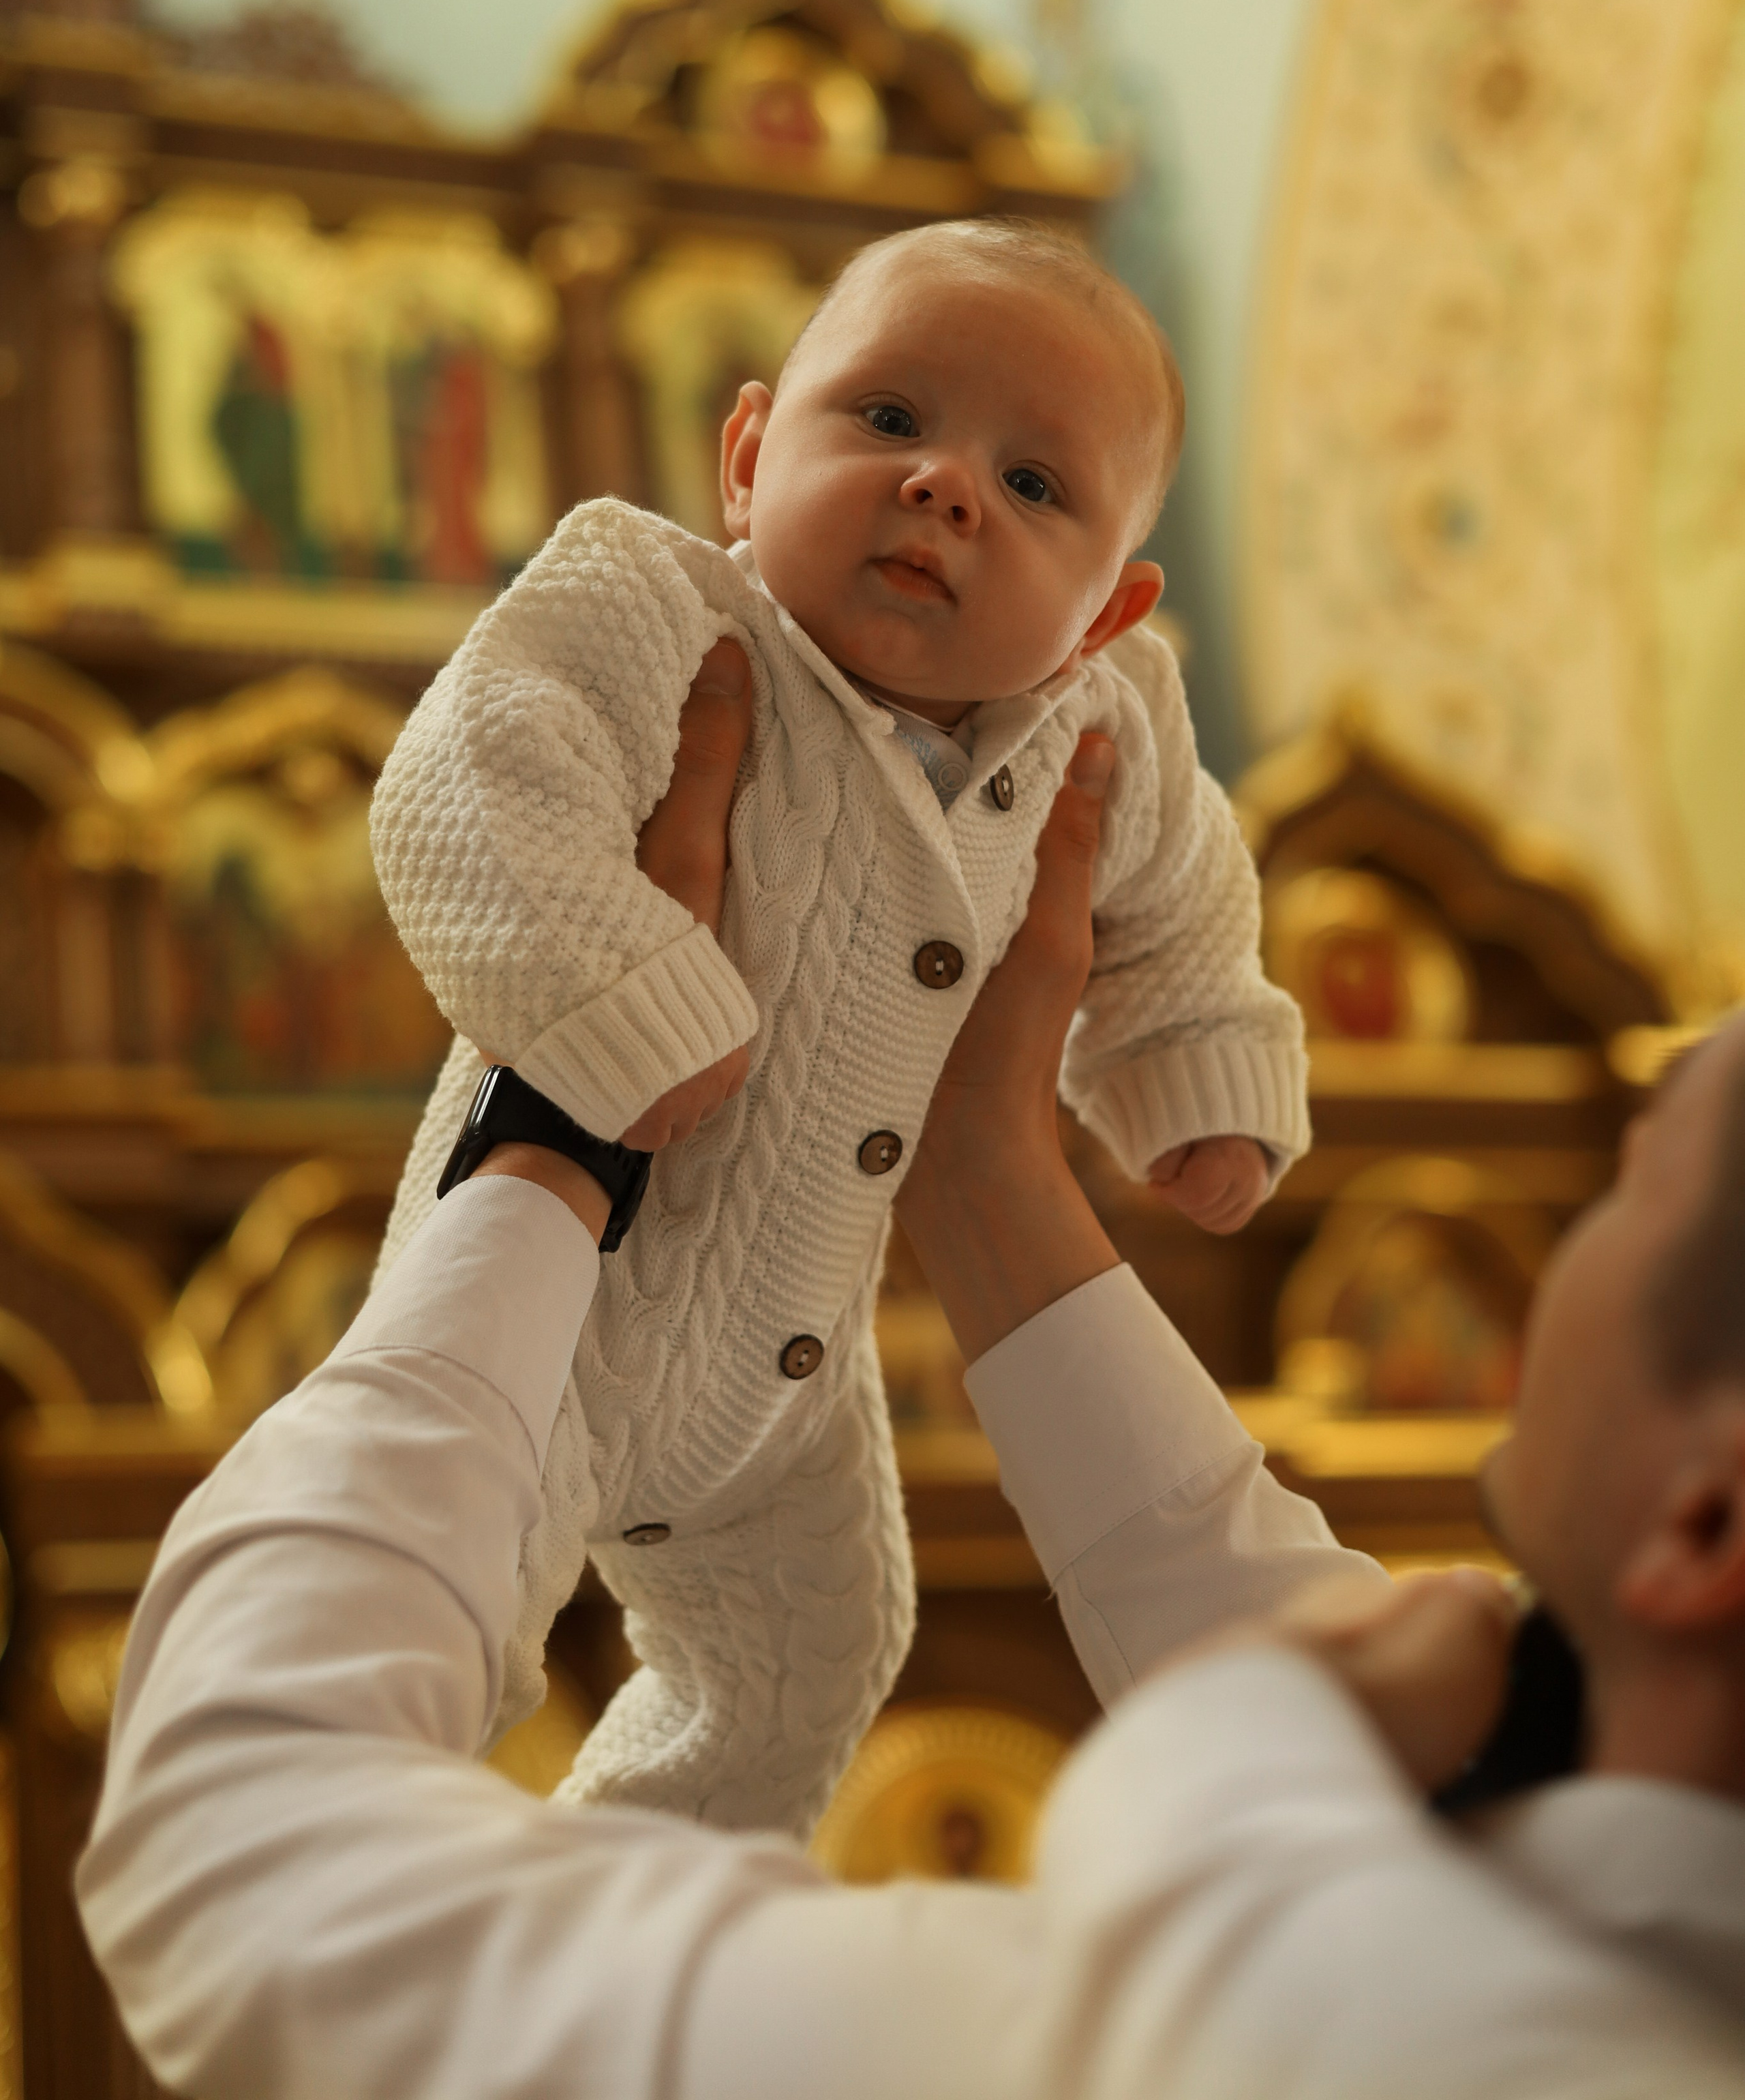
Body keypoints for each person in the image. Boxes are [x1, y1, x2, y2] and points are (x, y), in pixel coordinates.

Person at [79, 678, 1745, 2097]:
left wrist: (557, 1127)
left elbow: (252, 1860)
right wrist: (984, 1171)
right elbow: (1315, 1624)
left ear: (1704, 1512)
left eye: (1639, 1180)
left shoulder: (1319, 2032)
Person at [365, 217, 1307, 1831]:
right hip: (545, 1316)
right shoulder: (654, 611)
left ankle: (629, 1924)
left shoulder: (1108, 723)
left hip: (790, 1376)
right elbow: (469, 784)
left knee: (818, 1652)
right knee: (426, 1621)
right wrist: (615, 1002)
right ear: (745, 455)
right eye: (886, 420)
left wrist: (1190, 1070)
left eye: (1032, 486)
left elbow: (1178, 900)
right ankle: (385, 1945)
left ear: (1104, 608)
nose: (943, 485)